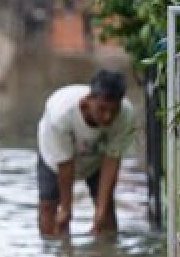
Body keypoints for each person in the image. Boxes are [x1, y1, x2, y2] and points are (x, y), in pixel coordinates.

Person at [36, 69, 136, 237]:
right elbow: (65, 166)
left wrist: (100, 212)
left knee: (106, 212)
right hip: (55, 158)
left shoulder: (125, 114)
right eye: (102, 109)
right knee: (49, 206)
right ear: (87, 101)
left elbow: (112, 160)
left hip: (96, 158)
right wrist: (66, 210)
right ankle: (53, 254)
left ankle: (106, 256)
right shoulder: (61, 114)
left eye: (113, 111)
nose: (107, 117)